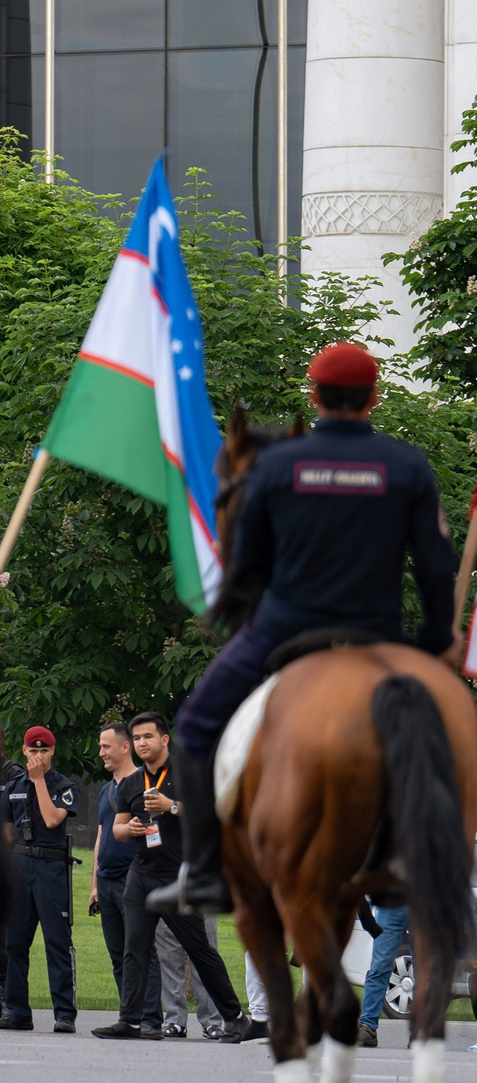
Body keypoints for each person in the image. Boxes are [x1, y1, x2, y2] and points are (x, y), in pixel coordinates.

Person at [153, 343, 456, 915]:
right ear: (376, 396)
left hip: (284, 630)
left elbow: (248, 562)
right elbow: (437, 567)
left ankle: (205, 873)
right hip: (378, 637)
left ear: (313, 396)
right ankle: (402, 859)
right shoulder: (407, 465)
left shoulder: (274, 466)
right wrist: (438, 639)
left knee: (193, 728)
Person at [94, 713, 250, 1040]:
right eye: (136, 739)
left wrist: (171, 806)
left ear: (164, 739)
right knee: (134, 948)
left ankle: (235, 1017)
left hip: (177, 874)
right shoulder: (134, 782)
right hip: (141, 874)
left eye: (147, 737)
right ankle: (131, 1020)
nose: (141, 744)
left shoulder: (186, 773)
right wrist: (129, 828)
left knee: (199, 948)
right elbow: (119, 828)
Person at [0, 726, 79, 1031]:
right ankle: (17, 1011)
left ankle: (64, 1013)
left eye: (44, 750)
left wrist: (39, 781)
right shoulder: (14, 785)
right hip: (19, 865)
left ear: (52, 751)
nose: (38, 756)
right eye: (33, 750)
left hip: (50, 867)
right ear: (25, 752)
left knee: (57, 940)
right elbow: (5, 832)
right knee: (15, 942)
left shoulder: (63, 785)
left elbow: (53, 819)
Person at [85, 722, 137, 1008]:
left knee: (139, 952)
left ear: (125, 746)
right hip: (105, 882)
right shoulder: (106, 790)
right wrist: (94, 884)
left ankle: (147, 1017)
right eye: (100, 746)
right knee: (117, 955)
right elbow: (101, 836)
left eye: (106, 746)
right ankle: (127, 1013)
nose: (101, 752)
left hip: (132, 879)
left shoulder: (142, 784)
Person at [358, 899, 409, 1048]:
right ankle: (368, 1026)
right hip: (390, 901)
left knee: (424, 970)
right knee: (379, 967)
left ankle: (422, 1031)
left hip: (423, 899)